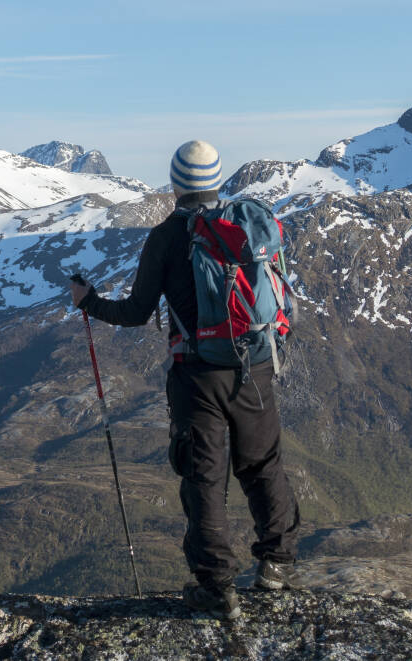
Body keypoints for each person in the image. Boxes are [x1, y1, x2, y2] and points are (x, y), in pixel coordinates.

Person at [69, 139, 300, 620]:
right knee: (262, 465)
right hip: (256, 364)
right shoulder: (246, 222)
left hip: (197, 375)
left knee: (204, 477)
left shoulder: (167, 236)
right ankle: (277, 564)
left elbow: (136, 312)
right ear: (216, 180)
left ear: (176, 183)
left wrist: (88, 301)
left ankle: (217, 587)